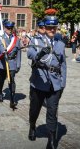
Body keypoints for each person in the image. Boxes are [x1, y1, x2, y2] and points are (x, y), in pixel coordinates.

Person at [27, 16, 66, 149]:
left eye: (54, 27)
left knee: (52, 112)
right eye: (49, 27)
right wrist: (39, 54)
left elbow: (63, 65)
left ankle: (51, 140)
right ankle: (32, 126)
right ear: (45, 28)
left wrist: (62, 84)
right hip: (39, 82)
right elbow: (30, 53)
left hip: (54, 83)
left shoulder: (60, 44)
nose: (51, 30)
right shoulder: (36, 41)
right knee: (34, 109)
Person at [0, 21, 21, 110]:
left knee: (12, 80)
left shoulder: (16, 39)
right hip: (3, 63)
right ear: (4, 28)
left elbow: (19, 52)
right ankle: (0, 92)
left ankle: (12, 99)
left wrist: (18, 64)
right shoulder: (1, 38)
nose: (10, 30)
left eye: (11, 28)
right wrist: (3, 50)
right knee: (1, 79)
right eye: (8, 28)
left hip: (12, 63)